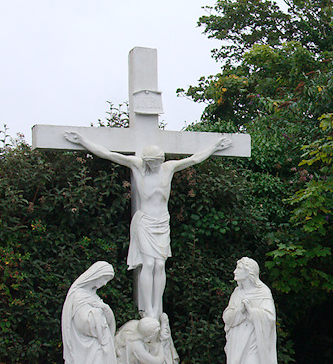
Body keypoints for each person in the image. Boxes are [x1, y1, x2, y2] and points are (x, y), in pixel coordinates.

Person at [64, 130, 232, 319]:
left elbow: (194, 159)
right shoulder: (137, 166)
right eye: (151, 162)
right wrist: (83, 141)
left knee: (160, 264)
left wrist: (215, 146)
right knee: (149, 263)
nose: (154, 165)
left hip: (162, 222)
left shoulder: (168, 168)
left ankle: (157, 307)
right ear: (146, 160)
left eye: (157, 162)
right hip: (145, 223)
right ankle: (148, 310)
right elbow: (109, 154)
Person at [223, 257, 283, 364]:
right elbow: (227, 318)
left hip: (255, 345)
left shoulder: (263, 292)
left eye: (238, 268)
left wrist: (252, 311)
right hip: (237, 345)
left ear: (248, 272)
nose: (235, 272)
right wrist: (240, 311)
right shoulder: (237, 293)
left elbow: (269, 318)